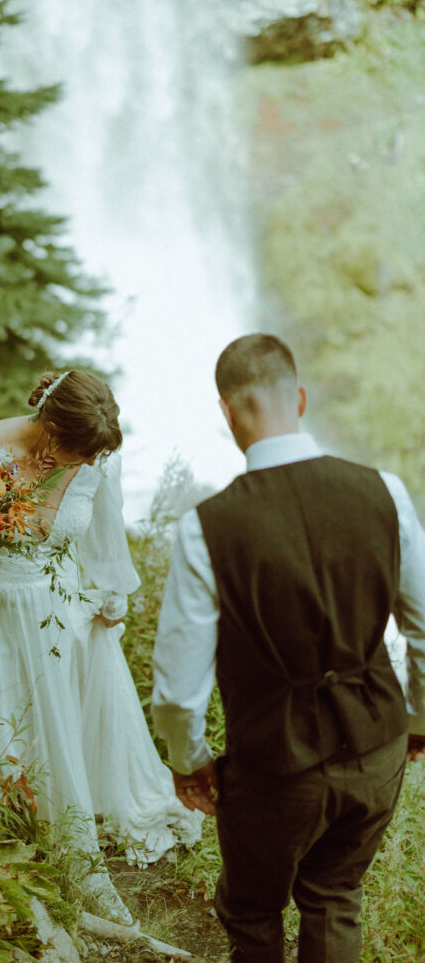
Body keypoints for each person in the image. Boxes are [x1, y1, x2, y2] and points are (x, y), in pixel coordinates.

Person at [151, 334, 425, 963]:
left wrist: (188, 758)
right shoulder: (385, 491)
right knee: (334, 896)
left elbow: (177, 685)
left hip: (276, 767)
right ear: (298, 398)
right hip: (377, 747)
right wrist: (416, 719)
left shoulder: (207, 526)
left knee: (252, 912)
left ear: (228, 413)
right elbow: (422, 627)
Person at [0, 369, 203, 923]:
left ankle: (54, 834)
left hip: (47, 614)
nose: (85, 466)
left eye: (92, 457)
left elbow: (105, 538)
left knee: (47, 729)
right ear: (51, 429)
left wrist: (108, 598)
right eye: (77, 453)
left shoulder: (96, 457)